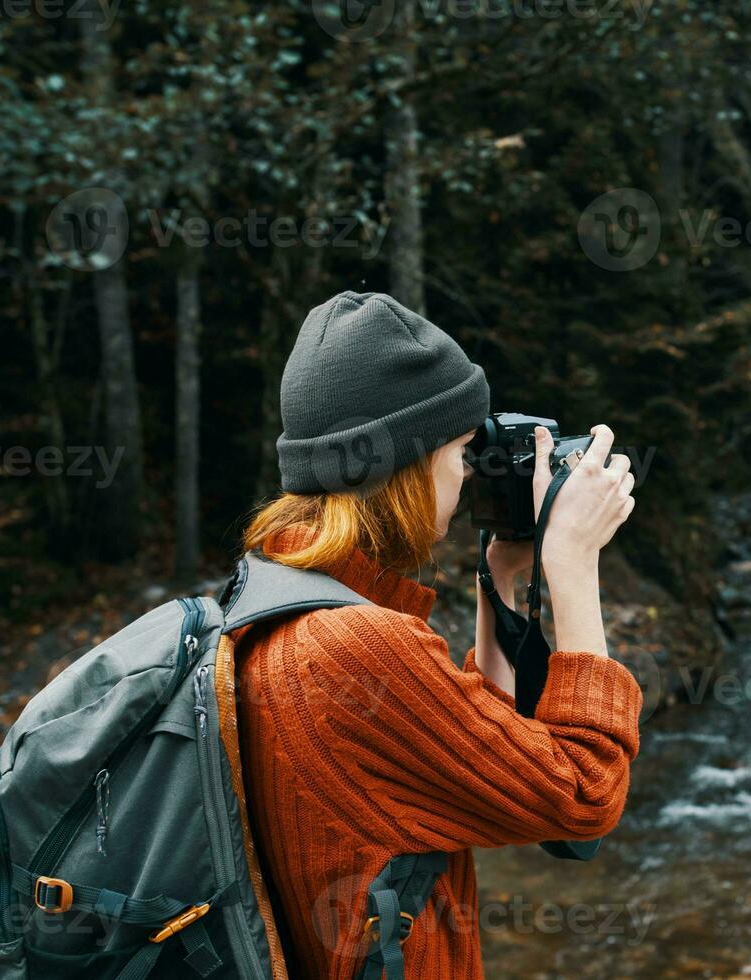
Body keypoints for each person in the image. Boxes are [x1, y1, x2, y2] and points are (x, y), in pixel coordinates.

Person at [231, 291, 642, 979]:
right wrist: (572, 566)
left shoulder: (273, 599)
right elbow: (583, 795)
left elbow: (479, 753)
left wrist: (499, 578)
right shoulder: (354, 649)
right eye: (460, 453)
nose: (469, 473)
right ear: (406, 466)